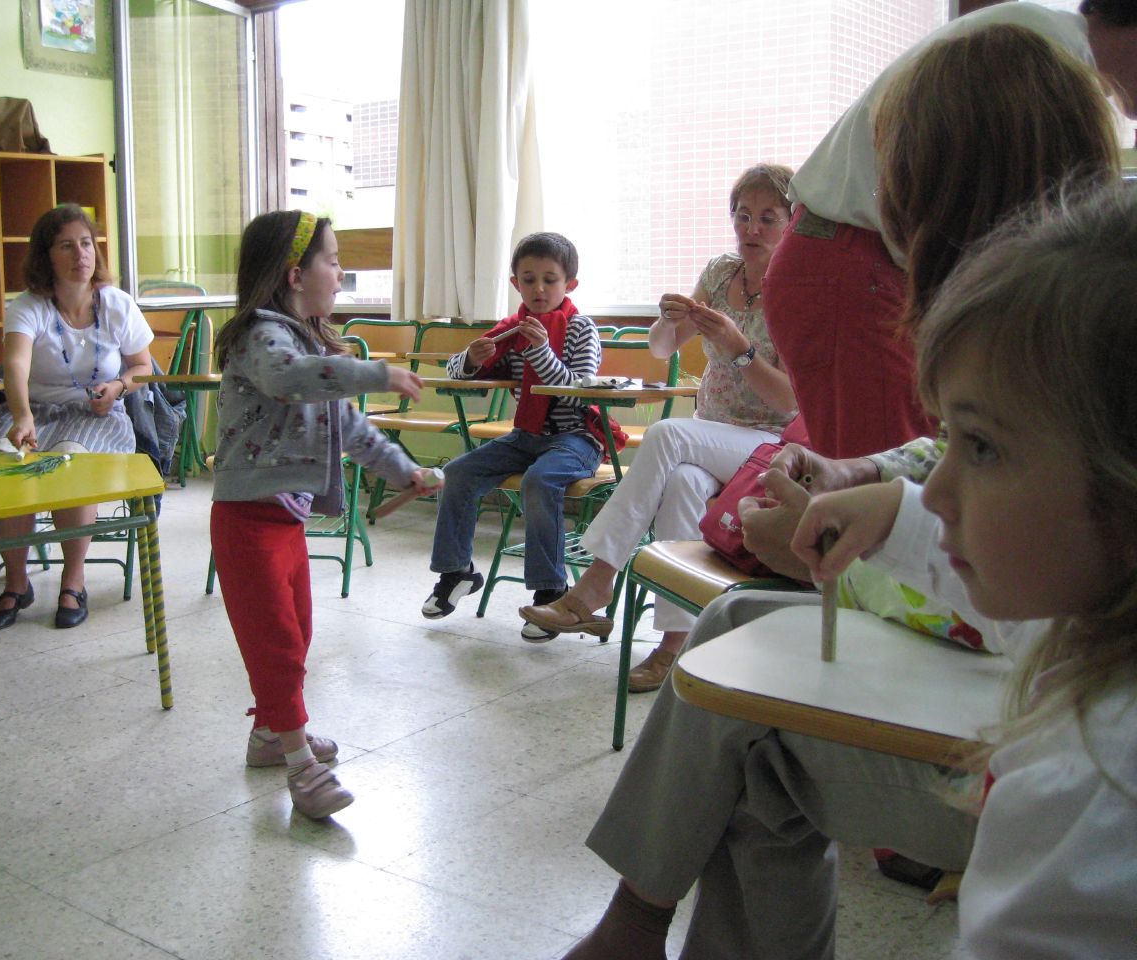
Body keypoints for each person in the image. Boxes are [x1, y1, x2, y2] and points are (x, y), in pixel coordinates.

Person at [557, 29, 1124, 960]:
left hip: (993, 715)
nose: (875, 205)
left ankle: (632, 916)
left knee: (749, 717)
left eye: (895, 183)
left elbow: (1012, 586)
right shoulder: (1048, 335)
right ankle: (634, 915)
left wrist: (862, 539)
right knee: (731, 609)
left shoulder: (1055, 345)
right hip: (990, 669)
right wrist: (871, 488)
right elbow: (945, 465)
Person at [791, 183, 1137, 959]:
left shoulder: (1094, 786)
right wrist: (900, 519)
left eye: (980, 446)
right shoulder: (1098, 619)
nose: (938, 489)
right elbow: (1031, 618)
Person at [741, 19, 1122, 583]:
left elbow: (1020, 596)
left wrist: (851, 570)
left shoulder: (1069, 358)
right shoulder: (1038, 328)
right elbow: (958, 450)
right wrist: (868, 474)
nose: (941, 488)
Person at [763, 0, 1137, 461]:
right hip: (853, 264)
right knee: (888, 489)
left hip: (860, 260)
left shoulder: (1041, 39)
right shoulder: (1047, 54)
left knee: (907, 474)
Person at [517, 164, 797, 688]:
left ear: (791, 220)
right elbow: (662, 347)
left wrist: (739, 350)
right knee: (684, 485)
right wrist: (670, 320)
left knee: (667, 433)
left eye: (767, 217)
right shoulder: (719, 273)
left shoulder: (799, 290)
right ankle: (675, 647)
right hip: (709, 436)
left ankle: (596, 584)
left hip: (768, 444)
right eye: (742, 216)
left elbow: (792, 399)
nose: (751, 229)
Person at [210, 210, 436, 820]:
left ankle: (266, 736)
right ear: (293, 274)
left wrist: (401, 468)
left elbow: (350, 428)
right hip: (245, 522)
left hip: (284, 523)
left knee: (296, 634)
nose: (340, 273)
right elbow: (288, 381)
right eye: (332, 261)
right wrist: (376, 372)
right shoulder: (263, 336)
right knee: (277, 645)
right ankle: (299, 767)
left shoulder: (310, 343)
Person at [420, 232, 615, 637]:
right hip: (526, 436)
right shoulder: (512, 330)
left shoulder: (582, 329)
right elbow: (457, 370)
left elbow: (581, 393)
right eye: (529, 280)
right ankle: (457, 572)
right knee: (457, 472)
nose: (539, 289)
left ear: (569, 285)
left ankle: (550, 592)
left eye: (550, 279)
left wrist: (541, 353)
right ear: (516, 284)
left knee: (540, 480)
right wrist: (469, 359)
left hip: (576, 439)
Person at [0, 203, 154, 631]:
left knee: (70, 459)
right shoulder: (28, 306)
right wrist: (21, 417)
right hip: (35, 410)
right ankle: (17, 582)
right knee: (7, 463)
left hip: (99, 415)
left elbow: (143, 368)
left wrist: (117, 387)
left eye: (86, 244)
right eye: (66, 246)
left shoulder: (117, 304)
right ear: (46, 257)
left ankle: (73, 580)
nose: (81, 255)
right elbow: (16, 365)